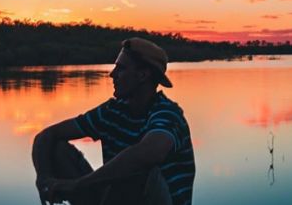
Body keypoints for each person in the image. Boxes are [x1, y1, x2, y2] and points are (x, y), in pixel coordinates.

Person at [32, 37, 195, 205]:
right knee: (57, 148)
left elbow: (148, 153)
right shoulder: (111, 111)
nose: (112, 74)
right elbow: (47, 135)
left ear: (142, 75)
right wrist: (43, 180)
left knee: (138, 170)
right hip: (114, 198)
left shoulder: (168, 114)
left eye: (121, 68)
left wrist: (77, 185)